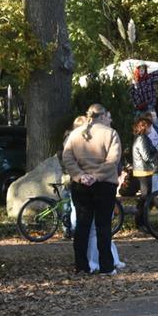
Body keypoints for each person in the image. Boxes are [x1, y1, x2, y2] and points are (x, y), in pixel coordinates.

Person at [62, 104, 122, 275]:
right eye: (108, 116)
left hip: (81, 185)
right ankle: (106, 266)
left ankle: (81, 265)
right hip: (105, 184)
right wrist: (96, 175)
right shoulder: (110, 133)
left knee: (82, 226)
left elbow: (67, 158)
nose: (110, 119)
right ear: (102, 116)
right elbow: (113, 160)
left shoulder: (75, 134)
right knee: (103, 226)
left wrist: (80, 175)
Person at [131, 114, 158, 229]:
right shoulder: (142, 139)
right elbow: (147, 157)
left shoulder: (144, 138)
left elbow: (150, 150)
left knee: (146, 197)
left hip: (145, 170)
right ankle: (140, 222)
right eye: (149, 127)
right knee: (145, 198)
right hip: (143, 171)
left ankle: (143, 222)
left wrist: (157, 148)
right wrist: (157, 152)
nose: (151, 130)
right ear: (144, 127)